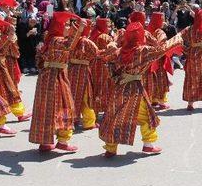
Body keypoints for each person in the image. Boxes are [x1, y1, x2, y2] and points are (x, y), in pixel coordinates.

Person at [100, 22, 184, 157]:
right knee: (146, 116)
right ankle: (148, 145)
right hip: (135, 89)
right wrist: (176, 39)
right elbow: (161, 50)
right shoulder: (143, 51)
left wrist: (115, 76)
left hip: (119, 88)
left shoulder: (119, 52)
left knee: (115, 116)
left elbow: (106, 60)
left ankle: (110, 148)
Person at [29, 12, 85, 152]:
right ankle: (62, 141)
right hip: (55, 77)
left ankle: (45, 141)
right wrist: (79, 29)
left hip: (48, 77)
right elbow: (69, 45)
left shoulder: (50, 40)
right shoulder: (56, 40)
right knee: (65, 106)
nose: (68, 28)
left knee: (47, 108)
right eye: (66, 25)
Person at [67, 19, 100, 130]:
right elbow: (97, 54)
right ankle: (89, 122)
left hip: (71, 70)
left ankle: (71, 119)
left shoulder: (69, 40)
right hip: (83, 71)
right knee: (86, 96)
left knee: (71, 95)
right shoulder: (86, 42)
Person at [89, 18, 114, 114]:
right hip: (104, 65)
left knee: (95, 87)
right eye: (108, 26)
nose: (110, 28)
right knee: (104, 87)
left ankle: (93, 111)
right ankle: (105, 109)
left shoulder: (93, 35)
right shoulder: (104, 37)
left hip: (93, 64)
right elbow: (111, 52)